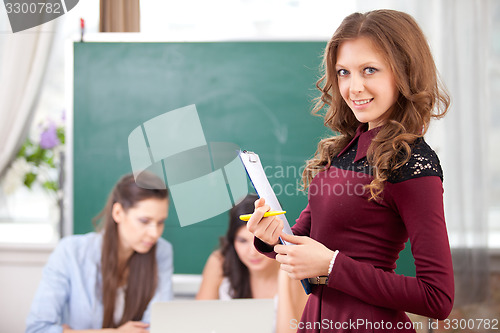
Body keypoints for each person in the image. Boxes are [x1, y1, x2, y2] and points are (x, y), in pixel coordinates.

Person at [247, 9, 454, 333]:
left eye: (369, 70)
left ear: (405, 71)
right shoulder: (343, 150)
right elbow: (303, 242)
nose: (354, 87)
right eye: (343, 72)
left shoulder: (412, 162)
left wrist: (332, 265)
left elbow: (438, 298)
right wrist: (271, 237)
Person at [26, 173, 174, 333]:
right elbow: (38, 328)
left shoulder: (161, 251)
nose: (155, 233)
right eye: (144, 221)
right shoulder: (70, 252)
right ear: (118, 213)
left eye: (160, 222)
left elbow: (157, 327)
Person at [196, 193, 280, 300]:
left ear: (277, 236)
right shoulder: (220, 262)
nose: (253, 252)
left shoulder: (292, 268)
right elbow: (200, 314)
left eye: (260, 241)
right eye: (242, 241)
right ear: (232, 241)